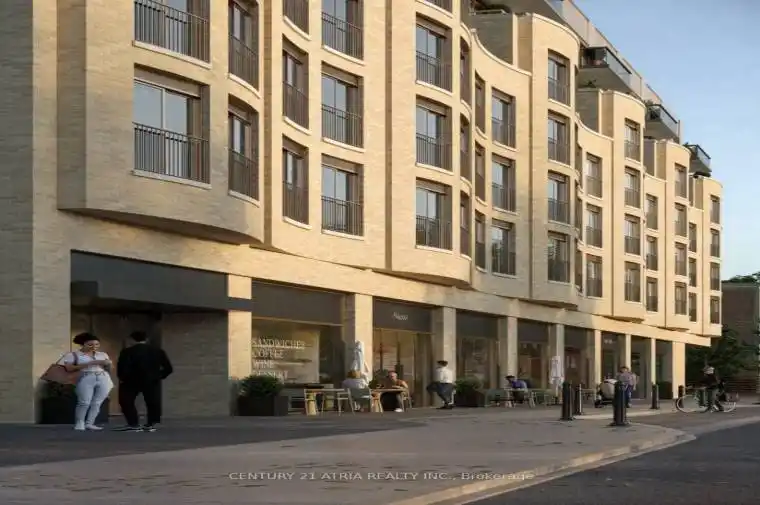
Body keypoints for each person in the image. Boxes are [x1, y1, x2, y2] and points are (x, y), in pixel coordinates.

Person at [116, 331, 173, 432]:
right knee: (152, 402)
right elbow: (168, 368)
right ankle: (151, 423)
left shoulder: (127, 352)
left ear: (132, 340)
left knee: (126, 401)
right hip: (151, 380)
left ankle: (133, 423)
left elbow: (122, 367)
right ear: (146, 339)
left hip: (131, 380)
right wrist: (158, 376)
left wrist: (123, 378)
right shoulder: (158, 351)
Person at [59, 333, 114, 431]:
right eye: (90, 344)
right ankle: (80, 423)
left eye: (97, 344)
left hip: (103, 377)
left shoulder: (102, 354)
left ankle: (90, 423)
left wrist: (109, 364)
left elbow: (110, 369)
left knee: (97, 402)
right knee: (84, 402)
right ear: (82, 344)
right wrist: (91, 363)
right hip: (86, 376)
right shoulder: (73, 355)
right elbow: (69, 368)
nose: (94, 347)